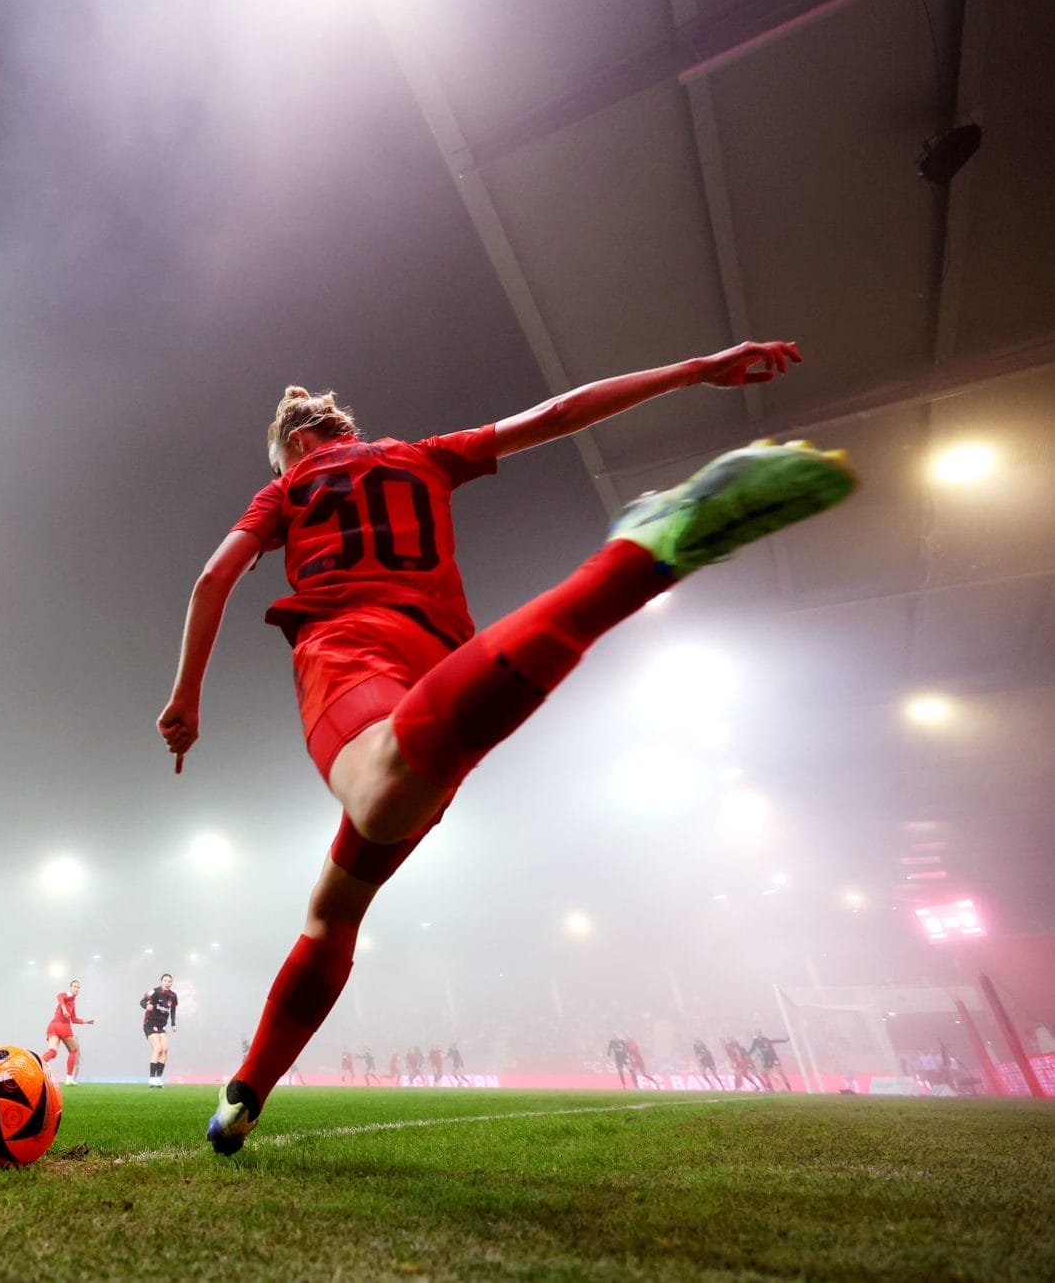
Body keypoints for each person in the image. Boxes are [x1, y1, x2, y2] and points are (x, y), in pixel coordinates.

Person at [160, 342, 854, 1155]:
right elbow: (557, 416)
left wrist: (185, 697)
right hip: (454, 671)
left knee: (379, 793)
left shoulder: (284, 487)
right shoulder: (423, 456)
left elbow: (215, 577)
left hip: (354, 658)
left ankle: (629, 562)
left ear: (295, 448)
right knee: (333, 907)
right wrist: (693, 370)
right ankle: (244, 1094)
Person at [40, 980, 93, 1085]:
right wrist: (64, 1009)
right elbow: (59, 995)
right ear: (70, 987)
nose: (76, 989)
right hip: (62, 1026)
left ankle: (36, 1066)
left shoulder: (72, 1002)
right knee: (74, 1050)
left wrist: (85, 1021)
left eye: (78, 987)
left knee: (52, 1052)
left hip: (52, 1026)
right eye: (74, 986)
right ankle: (69, 1079)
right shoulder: (68, 995)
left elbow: (73, 1019)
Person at [140, 974, 179, 1087]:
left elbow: (173, 1011)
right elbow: (142, 1002)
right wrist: (146, 1006)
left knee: (165, 1050)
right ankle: (152, 1078)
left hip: (161, 1026)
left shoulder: (173, 995)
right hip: (150, 1024)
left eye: (169, 981)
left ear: (171, 983)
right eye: (165, 980)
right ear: (161, 981)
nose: (167, 982)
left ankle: (158, 1079)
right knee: (158, 1049)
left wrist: (173, 1024)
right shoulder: (155, 992)